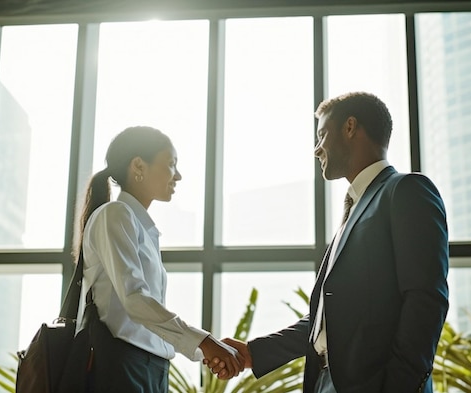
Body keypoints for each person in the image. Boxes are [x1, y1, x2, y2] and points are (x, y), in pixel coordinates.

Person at [213, 92, 449, 392]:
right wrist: (252, 354)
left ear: (350, 127)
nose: (316, 149)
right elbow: (329, 318)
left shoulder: (406, 191)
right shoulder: (353, 211)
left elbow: (426, 300)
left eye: (322, 134)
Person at [75, 126, 243, 392]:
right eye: (171, 164)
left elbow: (148, 319)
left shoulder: (139, 226)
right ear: (138, 166)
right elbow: (136, 301)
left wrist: (205, 351)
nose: (178, 175)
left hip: (150, 367)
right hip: (123, 366)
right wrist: (204, 343)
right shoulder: (115, 214)